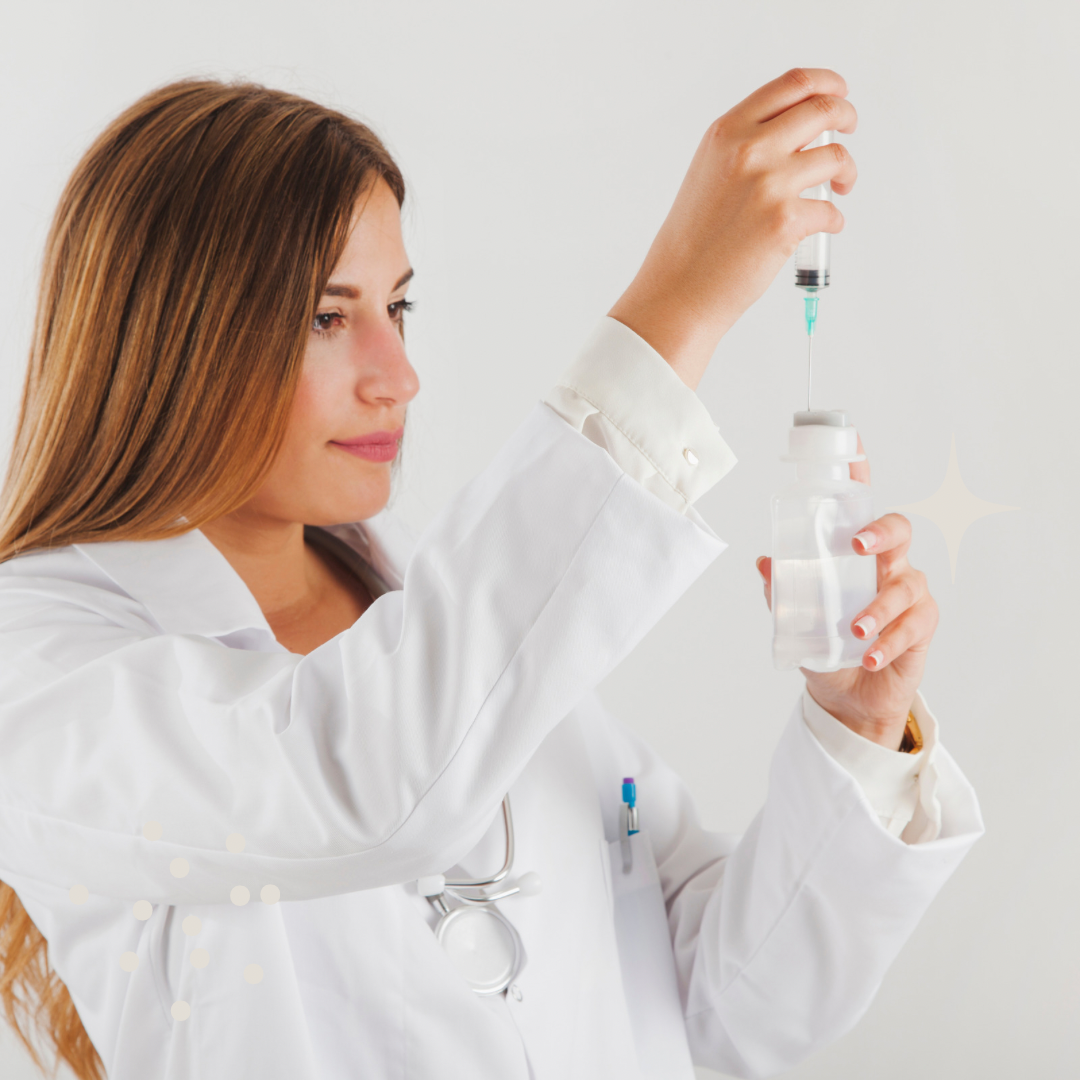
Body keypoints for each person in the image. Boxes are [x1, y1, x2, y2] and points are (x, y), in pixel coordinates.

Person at [0, 69, 982, 1080]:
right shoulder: (38, 665)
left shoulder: (434, 604)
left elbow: (721, 1009)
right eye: (326, 318)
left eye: (398, 305)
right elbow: (361, 782)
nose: (399, 373)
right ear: (170, 337)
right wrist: (677, 305)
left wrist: (855, 733)